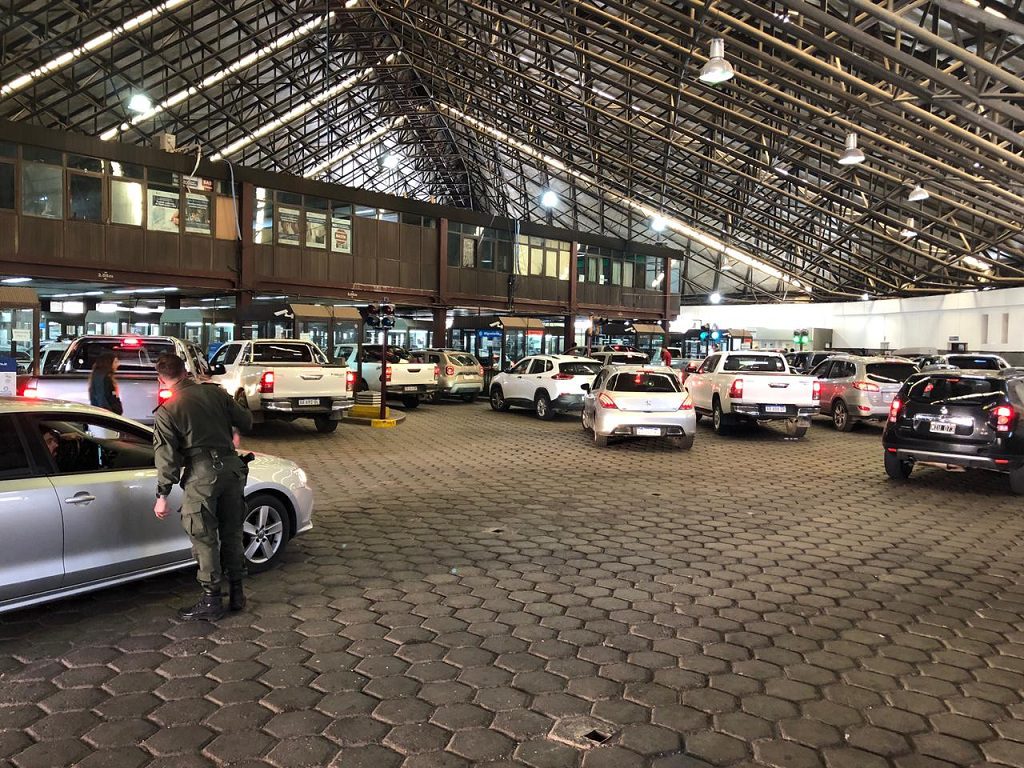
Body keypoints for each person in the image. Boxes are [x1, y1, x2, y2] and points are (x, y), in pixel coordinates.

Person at [152, 353, 253, 621]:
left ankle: (211, 601)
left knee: (204, 536)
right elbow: (246, 421)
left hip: (202, 475)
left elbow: (167, 457)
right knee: (232, 532)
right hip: (232, 470)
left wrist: (162, 494)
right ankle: (237, 594)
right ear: (186, 372)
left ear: (161, 380)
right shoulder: (216, 393)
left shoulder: (168, 410)